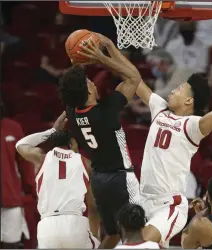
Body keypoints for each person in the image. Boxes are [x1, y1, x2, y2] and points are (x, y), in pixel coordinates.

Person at [76, 34, 212, 247]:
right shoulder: (160, 109)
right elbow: (134, 78)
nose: (173, 90)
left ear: (189, 100)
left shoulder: (192, 126)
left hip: (169, 205)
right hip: (143, 199)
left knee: (141, 243)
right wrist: (109, 51)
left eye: (179, 89)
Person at [59, 34, 141, 248]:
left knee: (112, 235)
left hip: (98, 181)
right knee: (135, 236)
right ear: (88, 90)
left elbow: (73, 84)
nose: (93, 83)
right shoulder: (107, 111)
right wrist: (106, 53)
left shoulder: (71, 111)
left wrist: (79, 62)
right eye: (89, 82)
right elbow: (133, 78)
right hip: (122, 179)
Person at [15, 112, 99, 249]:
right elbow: (94, 206)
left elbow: (20, 144)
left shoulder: (41, 158)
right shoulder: (85, 163)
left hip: (47, 227)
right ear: (72, 143)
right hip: (74, 223)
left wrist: (51, 131)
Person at [1, 110, 34, 249]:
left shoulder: (13, 128)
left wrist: (31, 190)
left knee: (11, 245)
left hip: (10, 200)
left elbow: (25, 164)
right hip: (11, 199)